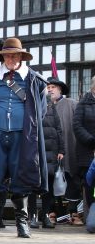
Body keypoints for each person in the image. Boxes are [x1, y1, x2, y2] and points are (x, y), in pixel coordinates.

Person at [0, 37, 48, 238]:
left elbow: (41, 110)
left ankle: (22, 223)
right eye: (7, 55)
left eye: (15, 55)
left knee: (21, 176)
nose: (11, 58)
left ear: (21, 56)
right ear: (2, 57)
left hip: (22, 138)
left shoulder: (35, 81)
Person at [47, 77, 82, 225]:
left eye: (53, 87)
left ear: (60, 89)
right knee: (51, 182)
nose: (50, 89)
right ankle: (52, 213)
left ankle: (74, 214)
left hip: (70, 149)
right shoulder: (44, 106)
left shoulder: (72, 104)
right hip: (50, 152)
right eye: (48, 87)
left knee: (72, 180)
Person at [28, 97, 64, 229]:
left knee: (48, 187)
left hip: (51, 152)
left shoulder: (50, 104)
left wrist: (61, 150)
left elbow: (59, 128)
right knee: (32, 185)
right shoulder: (29, 100)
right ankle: (32, 216)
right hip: (35, 149)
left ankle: (46, 216)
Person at [73, 76, 95, 225]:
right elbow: (77, 125)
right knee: (89, 186)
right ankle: (91, 218)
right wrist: (92, 141)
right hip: (87, 152)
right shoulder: (83, 103)